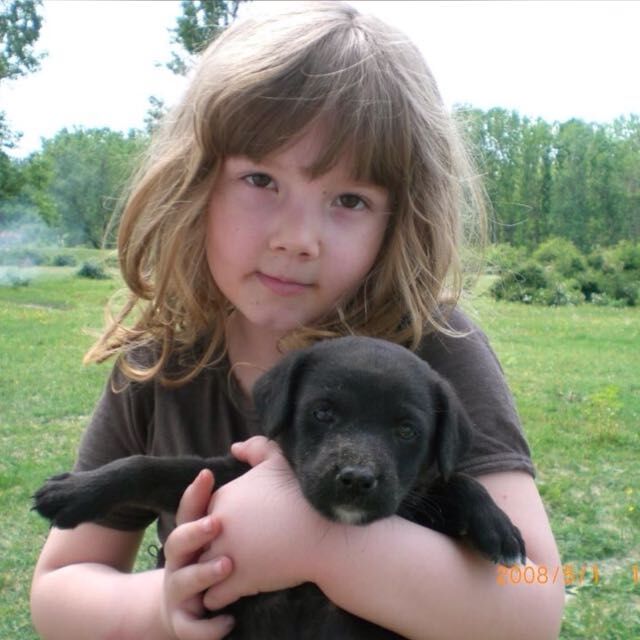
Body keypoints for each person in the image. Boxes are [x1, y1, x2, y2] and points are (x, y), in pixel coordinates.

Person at [30, 3, 565, 639]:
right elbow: (61, 589)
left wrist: (317, 545)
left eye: (349, 199)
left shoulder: (435, 351)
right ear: (195, 184)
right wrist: (165, 605)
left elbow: (534, 601)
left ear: (400, 218)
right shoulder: (163, 360)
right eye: (261, 179)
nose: (297, 238)